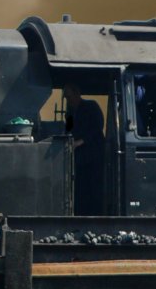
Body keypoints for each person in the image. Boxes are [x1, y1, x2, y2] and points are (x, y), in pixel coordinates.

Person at [63, 83, 105, 216]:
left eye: (69, 97)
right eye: (66, 98)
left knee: (93, 188)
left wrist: (80, 142)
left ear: (77, 94)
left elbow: (97, 128)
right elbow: (68, 131)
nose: (68, 101)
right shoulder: (70, 113)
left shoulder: (91, 106)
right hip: (79, 157)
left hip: (94, 155)